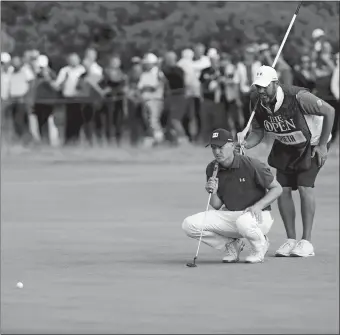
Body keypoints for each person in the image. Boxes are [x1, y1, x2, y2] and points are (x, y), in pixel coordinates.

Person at [237, 66, 335, 257]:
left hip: (312, 143)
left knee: (305, 187)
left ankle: (306, 242)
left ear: (275, 83)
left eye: (265, 86)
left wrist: (322, 145)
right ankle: (291, 240)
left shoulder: (299, 97)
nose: (261, 90)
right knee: (282, 189)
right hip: (285, 143)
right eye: (258, 86)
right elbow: (258, 132)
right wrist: (244, 144)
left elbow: (330, 111)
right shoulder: (256, 100)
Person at [182, 128, 282, 264]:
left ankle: (260, 246)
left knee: (244, 222)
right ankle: (231, 245)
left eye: (220, 147)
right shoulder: (212, 168)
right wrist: (213, 191)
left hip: (258, 216)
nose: (217, 152)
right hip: (232, 217)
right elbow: (217, 205)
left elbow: (277, 188)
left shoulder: (252, 164)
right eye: (213, 147)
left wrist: (258, 206)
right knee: (189, 224)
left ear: (232, 145)